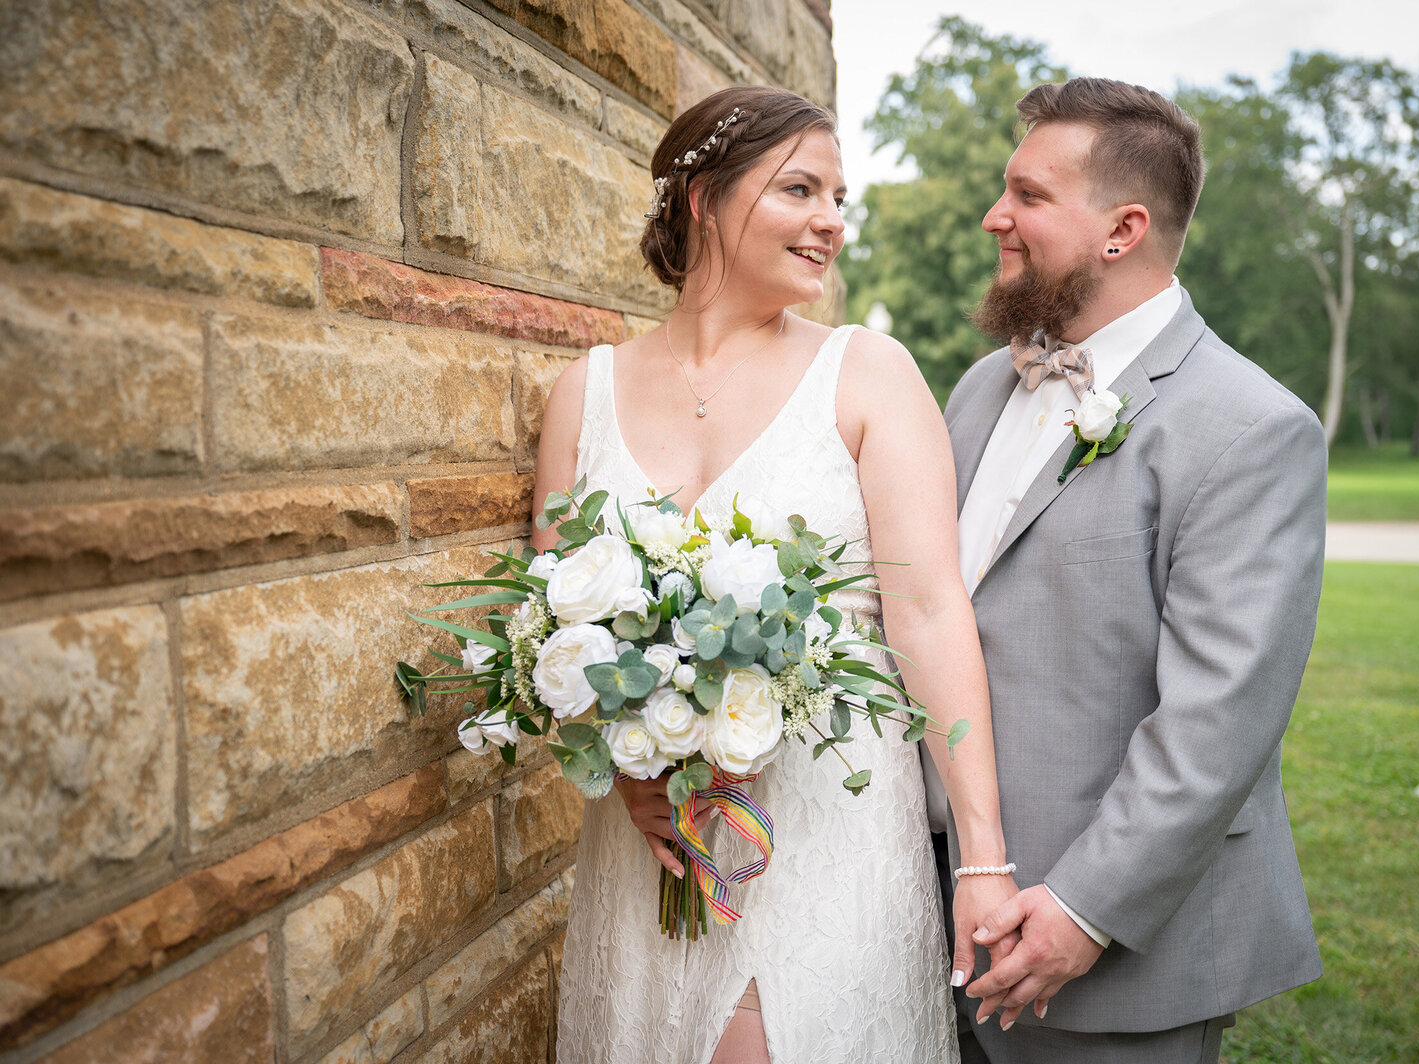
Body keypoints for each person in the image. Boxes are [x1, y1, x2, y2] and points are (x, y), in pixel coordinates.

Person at [532, 85, 1015, 1064]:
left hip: (826, 827)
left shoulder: (868, 372)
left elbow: (927, 612)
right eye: (801, 190)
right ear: (702, 199)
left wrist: (983, 856)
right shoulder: (583, 391)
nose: (831, 223)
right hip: (648, 838)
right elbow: (553, 627)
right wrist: (625, 765)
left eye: (840, 199)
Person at [939, 78, 1326, 1064]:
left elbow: (1220, 717)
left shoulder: (1251, 427)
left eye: (1026, 195)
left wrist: (1081, 909)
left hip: (1109, 962)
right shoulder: (984, 386)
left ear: (1122, 229)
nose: (995, 216)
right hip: (938, 905)